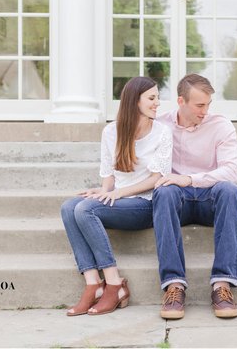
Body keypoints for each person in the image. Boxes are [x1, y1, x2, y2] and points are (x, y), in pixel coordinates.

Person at [61, 77, 172, 316]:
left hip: (144, 204)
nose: (157, 103)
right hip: (117, 199)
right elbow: (109, 177)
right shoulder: (111, 131)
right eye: (152, 98)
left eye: (157, 98)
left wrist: (117, 193)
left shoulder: (162, 132)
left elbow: (156, 179)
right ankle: (93, 284)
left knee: (84, 209)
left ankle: (114, 283)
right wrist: (104, 191)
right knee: (69, 207)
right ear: (135, 101)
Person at [153, 73, 237, 319]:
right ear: (181, 101)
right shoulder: (160, 125)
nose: (205, 111)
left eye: (208, 104)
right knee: (163, 191)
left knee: (230, 190)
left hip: (209, 199)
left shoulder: (221, 126)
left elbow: (232, 171)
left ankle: (222, 285)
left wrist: (191, 179)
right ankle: (174, 285)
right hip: (176, 200)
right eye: (199, 105)